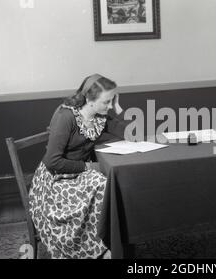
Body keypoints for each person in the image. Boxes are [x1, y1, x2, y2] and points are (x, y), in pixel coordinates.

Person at [28, 74, 131, 259]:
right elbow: (53, 162)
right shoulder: (65, 116)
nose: (109, 106)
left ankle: (105, 244)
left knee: (108, 183)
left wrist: (118, 107)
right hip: (54, 181)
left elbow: (130, 132)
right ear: (90, 100)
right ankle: (95, 249)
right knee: (103, 184)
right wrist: (90, 167)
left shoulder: (99, 116)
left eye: (111, 101)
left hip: (79, 175)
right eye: (106, 102)